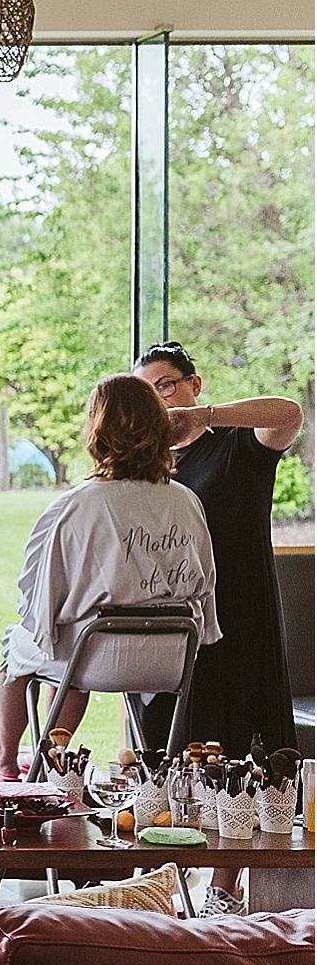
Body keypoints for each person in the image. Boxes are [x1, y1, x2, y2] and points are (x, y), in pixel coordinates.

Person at [132, 341, 303, 913]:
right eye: (148, 393)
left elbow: (289, 414)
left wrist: (205, 417)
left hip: (241, 621)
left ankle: (225, 890)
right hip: (172, 629)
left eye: (167, 385)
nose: (162, 401)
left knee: (241, 752)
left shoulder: (236, 447)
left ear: (194, 384)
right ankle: (159, 886)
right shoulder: (146, 466)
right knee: (168, 755)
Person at [0, 373, 220, 782]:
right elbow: (205, 583)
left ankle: (4, 761)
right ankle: (53, 758)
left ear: (97, 430)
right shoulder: (186, 500)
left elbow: (37, 595)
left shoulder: (76, 505)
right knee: (69, 649)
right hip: (172, 660)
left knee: (22, 647)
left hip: (95, 658)